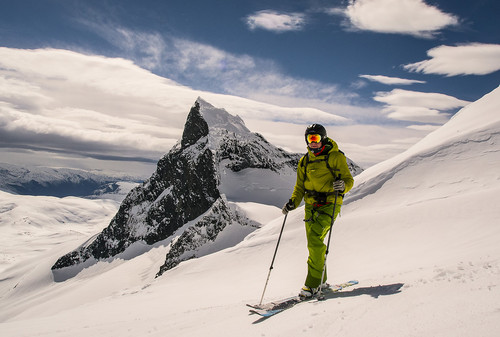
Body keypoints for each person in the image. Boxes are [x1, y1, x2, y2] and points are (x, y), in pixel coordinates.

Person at [282, 124, 354, 298]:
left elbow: (348, 180)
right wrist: (293, 202)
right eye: (309, 139)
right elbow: (299, 186)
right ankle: (321, 280)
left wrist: (343, 186)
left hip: (330, 203)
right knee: (314, 244)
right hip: (310, 206)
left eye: (315, 138)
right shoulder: (304, 161)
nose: (312, 142)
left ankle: (312, 284)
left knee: (315, 240)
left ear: (323, 138)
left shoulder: (335, 157)